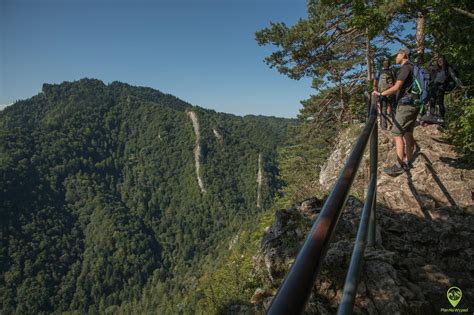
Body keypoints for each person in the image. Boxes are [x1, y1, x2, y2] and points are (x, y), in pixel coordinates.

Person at [372, 47, 418, 176]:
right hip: (413, 103)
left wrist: (380, 93)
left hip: (406, 105)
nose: (395, 58)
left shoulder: (405, 68)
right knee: (408, 133)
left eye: (397, 55)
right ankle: (408, 161)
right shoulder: (413, 67)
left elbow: (396, 87)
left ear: (403, 54)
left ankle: (399, 164)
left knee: (397, 133)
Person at [425, 55, 463, 121]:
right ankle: (431, 116)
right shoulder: (436, 68)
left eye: (441, 60)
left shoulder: (448, 68)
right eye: (438, 61)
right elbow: (429, 65)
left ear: (444, 61)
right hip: (434, 87)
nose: (439, 62)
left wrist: (461, 85)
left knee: (440, 102)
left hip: (441, 87)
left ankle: (442, 118)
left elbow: (454, 77)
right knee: (432, 101)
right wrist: (432, 59)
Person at [373, 59, 396, 130]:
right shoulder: (392, 71)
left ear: (383, 64)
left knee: (383, 109)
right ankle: (395, 125)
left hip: (382, 93)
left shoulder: (379, 71)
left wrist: (375, 90)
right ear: (389, 65)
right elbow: (395, 81)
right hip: (391, 92)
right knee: (393, 109)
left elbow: (375, 82)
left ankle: (383, 126)